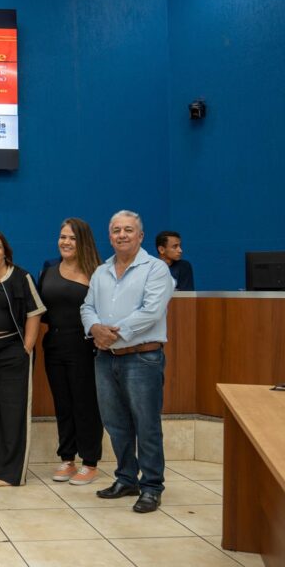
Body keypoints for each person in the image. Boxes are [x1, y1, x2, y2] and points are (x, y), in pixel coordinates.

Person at [81, 210, 175, 513]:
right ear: (110, 237)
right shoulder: (101, 271)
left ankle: (151, 486)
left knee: (146, 424)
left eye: (128, 230)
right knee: (115, 423)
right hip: (105, 359)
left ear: (140, 235)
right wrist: (95, 329)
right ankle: (126, 478)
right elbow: (87, 307)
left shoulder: (156, 269)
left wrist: (111, 334)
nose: (122, 235)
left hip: (142, 358)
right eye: (116, 230)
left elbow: (151, 311)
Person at [0, 230, 45, 487]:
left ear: (5, 251)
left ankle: (11, 472)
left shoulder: (21, 277)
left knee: (13, 411)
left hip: (11, 351)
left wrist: (27, 347)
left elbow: (35, 312)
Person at [38, 218, 104, 486]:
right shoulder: (48, 269)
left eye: (72, 238)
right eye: (62, 236)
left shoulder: (98, 272)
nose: (65, 242)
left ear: (83, 241)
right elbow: (41, 310)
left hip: (85, 346)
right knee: (62, 404)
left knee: (85, 404)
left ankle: (90, 461)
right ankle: (67, 458)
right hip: (54, 345)